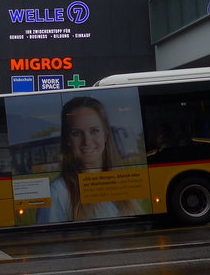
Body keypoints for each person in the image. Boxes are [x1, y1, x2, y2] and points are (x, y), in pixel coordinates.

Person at [38, 96, 144, 224]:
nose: (87, 141)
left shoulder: (122, 182)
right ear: (67, 140)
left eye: (94, 131)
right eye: (76, 133)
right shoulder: (57, 193)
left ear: (106, 135)